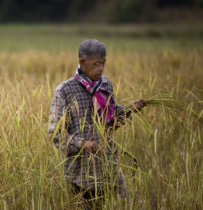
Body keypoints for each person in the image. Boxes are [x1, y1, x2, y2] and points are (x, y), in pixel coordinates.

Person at [48, 39, 147, 208]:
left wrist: (130, 110)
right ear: (82, 62)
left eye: (103, 63)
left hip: (109, 166)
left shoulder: (106, 85)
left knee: (124, 204)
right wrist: (83, 143)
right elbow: (55, 134)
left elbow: (112, 123)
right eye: (96, 64)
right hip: (81, 173)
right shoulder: (65, 90)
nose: (101, 69)